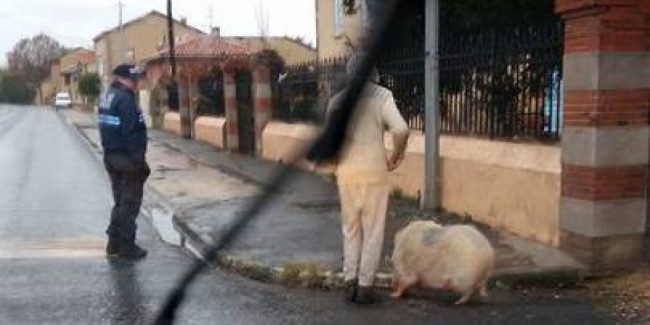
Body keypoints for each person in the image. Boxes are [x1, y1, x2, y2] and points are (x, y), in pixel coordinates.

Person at [329, 56, 409, 304]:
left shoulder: (336, 101)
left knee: (350, 229)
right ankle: (365, 287)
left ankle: (349, 282)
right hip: (374, 171)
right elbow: (401, 129)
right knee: (373, 231)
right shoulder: (382, 96)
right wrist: (395, 156)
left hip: (347, 173)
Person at [98, 64, 150, 260]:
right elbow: (130, 132)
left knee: (121, 202)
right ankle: (126, 246)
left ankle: (113, 243)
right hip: (126, 159)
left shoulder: (107, 95)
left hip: (112, 155)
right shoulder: (125, 99)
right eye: (134, 78)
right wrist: (139, 162)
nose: (137, 82)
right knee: (130, 203)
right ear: (124, 78)